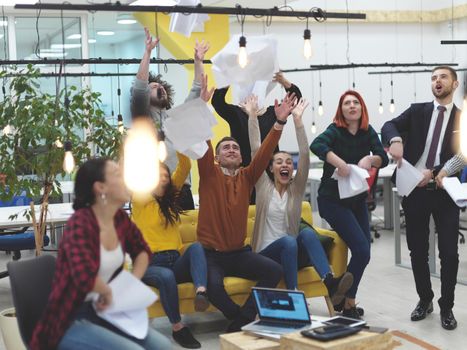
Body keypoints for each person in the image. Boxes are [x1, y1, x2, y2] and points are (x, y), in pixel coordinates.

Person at [30, 158, 172, 350]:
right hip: (69, 319)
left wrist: (132, 284)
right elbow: (83, 276)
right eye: (118, 175)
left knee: (163, 346)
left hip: (108, 312)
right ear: (100, 188)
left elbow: (142, 251)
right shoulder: (80, 224)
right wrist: (108, 291)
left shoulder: (119, 218)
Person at [197, 92, 296, 332]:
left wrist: (279, 122)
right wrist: (201, 107)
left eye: (235, 147)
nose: (231, 149)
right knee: (214, 288)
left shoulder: (248, 176)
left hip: (239, 253)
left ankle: (242, 321)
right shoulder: (209, 174)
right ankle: (243, 319)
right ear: (218, 158)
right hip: (212, 256)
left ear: (242, 157)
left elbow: (264, 154)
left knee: (274, 270)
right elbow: (203, 143)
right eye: (226, 148)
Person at [244, 94, 354, 304]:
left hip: (292, 252)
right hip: (265, 254)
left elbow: (304, 153)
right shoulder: (263, 187)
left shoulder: (296, 190)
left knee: (307, 236)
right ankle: (294, 294)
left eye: (288, 162)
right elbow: (256, 150)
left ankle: (329, 282)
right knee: (288, 241)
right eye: (279, 162)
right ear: (270, 168)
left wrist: (298, 121)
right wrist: (251, 116)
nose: (285, 165)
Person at [131, 77, 214, 349]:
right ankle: (179, 327)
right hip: (150, 265)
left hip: (173, 260)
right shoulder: (142, 199)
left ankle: (201, 291)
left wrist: (182, 141)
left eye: (166, 176)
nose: (164, 178)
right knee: (165, 277)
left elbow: (184, 168)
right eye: (158, 175)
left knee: (197, 248)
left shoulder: (171, 200)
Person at [381, 66, 461, 330]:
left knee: (449, 253)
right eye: (434, 78)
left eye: (443, 77)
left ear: (455, 84)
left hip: (445, 191)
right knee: (417, 250)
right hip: (414, 189)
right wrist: (394, 139)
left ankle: (446, 306)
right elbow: (389, 125)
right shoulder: (417, 111)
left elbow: (463, 155)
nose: (438, 81)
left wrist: (437, 172)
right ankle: (424, 299)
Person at [310, 90, 388, 319]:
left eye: (356, 102)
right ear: (341, 110)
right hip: (331, 201)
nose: (352, 106)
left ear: (361, 108)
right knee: (362, 248)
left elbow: (381, 155)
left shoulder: (367, 132)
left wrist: (371, 159)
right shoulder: (335, 130)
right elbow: (317, 145)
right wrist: (339, 162)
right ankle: (345, 300)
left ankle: (347, 302)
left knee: (364, 253)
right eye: (347, 103)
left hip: (356, 200)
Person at [131, 27, 210, 210]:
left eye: (162, 86)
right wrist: (148, 52)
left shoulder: (177, 117)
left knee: (187, 237)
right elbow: (140, 86)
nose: (160, 87)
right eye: (154, 86)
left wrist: (198, 61)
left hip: (182, 188)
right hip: (153, 189)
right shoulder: (144, 119)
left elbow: (197, 89)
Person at [211, 72, 302, 168]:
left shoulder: (273, 113)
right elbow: (217, 102)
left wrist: (284, 82)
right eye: (249, 99)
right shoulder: (236, 114)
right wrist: (227, 81)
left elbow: (296, 101)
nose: (253, 101)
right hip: (243, 173)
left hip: (269, 172)